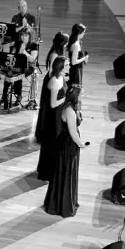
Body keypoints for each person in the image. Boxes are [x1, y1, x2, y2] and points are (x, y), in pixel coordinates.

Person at [44, 86, 88, 218]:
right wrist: (81, 144)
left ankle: (67, 202)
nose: (83, 96)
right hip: (67, 144)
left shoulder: (73, 107)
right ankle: (61, 205)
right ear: (75, 96)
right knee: (66, 173)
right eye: (81, 94)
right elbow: (73, 133)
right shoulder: (69, 110)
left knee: (69, 172)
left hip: (71, 143)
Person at [36, 56, 67, 182]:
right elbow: (53, 103)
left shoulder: (61, 77)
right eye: (67, 64)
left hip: (58, 115)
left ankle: (53, 169)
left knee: (55, 144)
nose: (69, 65)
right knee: (50, 144)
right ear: (61, 66)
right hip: (52, 117)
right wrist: (66, 98)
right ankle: (47, 172)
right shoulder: (54, 80)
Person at [35, 32, 69, 143]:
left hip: (55, 79)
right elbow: (52, 71)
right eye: (66, 43)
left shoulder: (59, 52)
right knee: (48, 107)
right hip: (51, 81)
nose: (67, 45)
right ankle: (44, 131)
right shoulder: (54, 54)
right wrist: (57, 82)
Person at [1, 28, 38, 108]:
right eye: (22, 35)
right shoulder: (18, 43)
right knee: (7, 72)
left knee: (18, 74)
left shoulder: (33, 45)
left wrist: (24, 52)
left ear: (30, 36)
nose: (23, 37)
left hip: (29, 66)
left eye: (26, 35)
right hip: (17, 65)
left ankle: (18, 95)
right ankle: (4, 95)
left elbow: (32, 59)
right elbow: (12, 54)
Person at [67, 23, 88, 87]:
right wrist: (84, 58)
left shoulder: (75, 41)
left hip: (76, 68)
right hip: (76, 70)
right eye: (84, 32)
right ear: (79, 33)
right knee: (75, 89)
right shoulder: (76, 45)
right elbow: (74, 62)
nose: (84, 34)